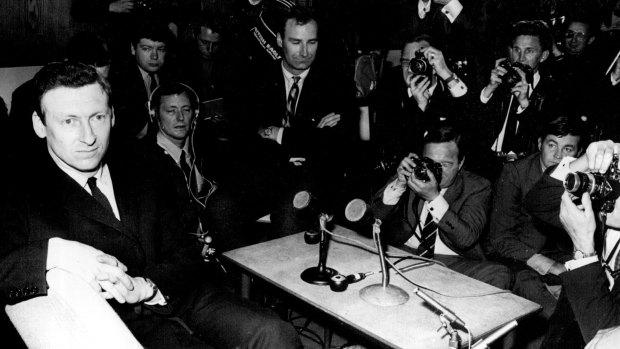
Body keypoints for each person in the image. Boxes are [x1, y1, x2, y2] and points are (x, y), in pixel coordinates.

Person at [0, 61, 301, 349]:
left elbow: (186, 251)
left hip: (175, 292)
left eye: (98, 117)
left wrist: (150, 286)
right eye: (69, 121)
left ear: (113, 116)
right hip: (115, 324)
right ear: (40, 125)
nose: (88, 137)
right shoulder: (17, 186)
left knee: (276, 334)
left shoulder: (146, 163)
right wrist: (56, 252)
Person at [224, 6, 358, 246]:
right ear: (278, 39)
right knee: (221, 207)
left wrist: (275, 133)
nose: (305, 52)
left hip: (312, 181)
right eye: (295, 42)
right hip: (267, 173)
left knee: (288, 216)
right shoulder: (255, 78)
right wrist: (308, 136)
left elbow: (334, 145)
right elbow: (241, 135)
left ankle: (276, 283)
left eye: (312, 42)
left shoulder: (337, 82)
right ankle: (239, 280)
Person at [370, 123, 512, 289]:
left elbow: (466, 239)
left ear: (460, 163)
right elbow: (373, 216)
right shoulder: (413, 174)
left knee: (500, 274)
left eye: (444, 164)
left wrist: (434, 198)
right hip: (405, 253)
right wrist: (399, 184)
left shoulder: (478, 186)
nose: (435, 170)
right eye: (429, 162)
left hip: (452, 261)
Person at [486, 116, 584, 347]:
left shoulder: (581, 179)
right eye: (552, 145)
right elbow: (500, 238)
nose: (559, 156)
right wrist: (551, 267)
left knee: (581, 315)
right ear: (540, 143)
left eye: (568, 148)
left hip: (560, 257)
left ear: (579, 154)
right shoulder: (515, 173)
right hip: (515, 257)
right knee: (551, 314)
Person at [524, 140, 620, 348]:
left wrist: (584, 251)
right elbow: (538, 202)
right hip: (566, 327)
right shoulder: (609, 206)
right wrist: (586, 160)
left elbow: (606, 338)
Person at [467, 20, 559, 180]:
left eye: (529, 51)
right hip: (485, 166)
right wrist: (488, 91)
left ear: (543, 56)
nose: (520, 58)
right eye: (516, 50)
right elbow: (469, 126)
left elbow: (544, 138)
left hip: (525, 172)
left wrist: (525, 103)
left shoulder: (552, 91)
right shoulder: (496, 79)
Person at [375, 34, 468, 175]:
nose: (412, 68)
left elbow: (470, 128)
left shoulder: (449, 93)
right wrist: (419, 108)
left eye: (419, 61)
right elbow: (393, 150)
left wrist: (446, 74)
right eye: (406, 62)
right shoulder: (388, 94)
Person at [109, 19, 175, 139]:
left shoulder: (170, 73)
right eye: (146, 49)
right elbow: (132, 130)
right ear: (133, 49)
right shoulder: (120, 80)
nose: (154, 56)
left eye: (160, 49)